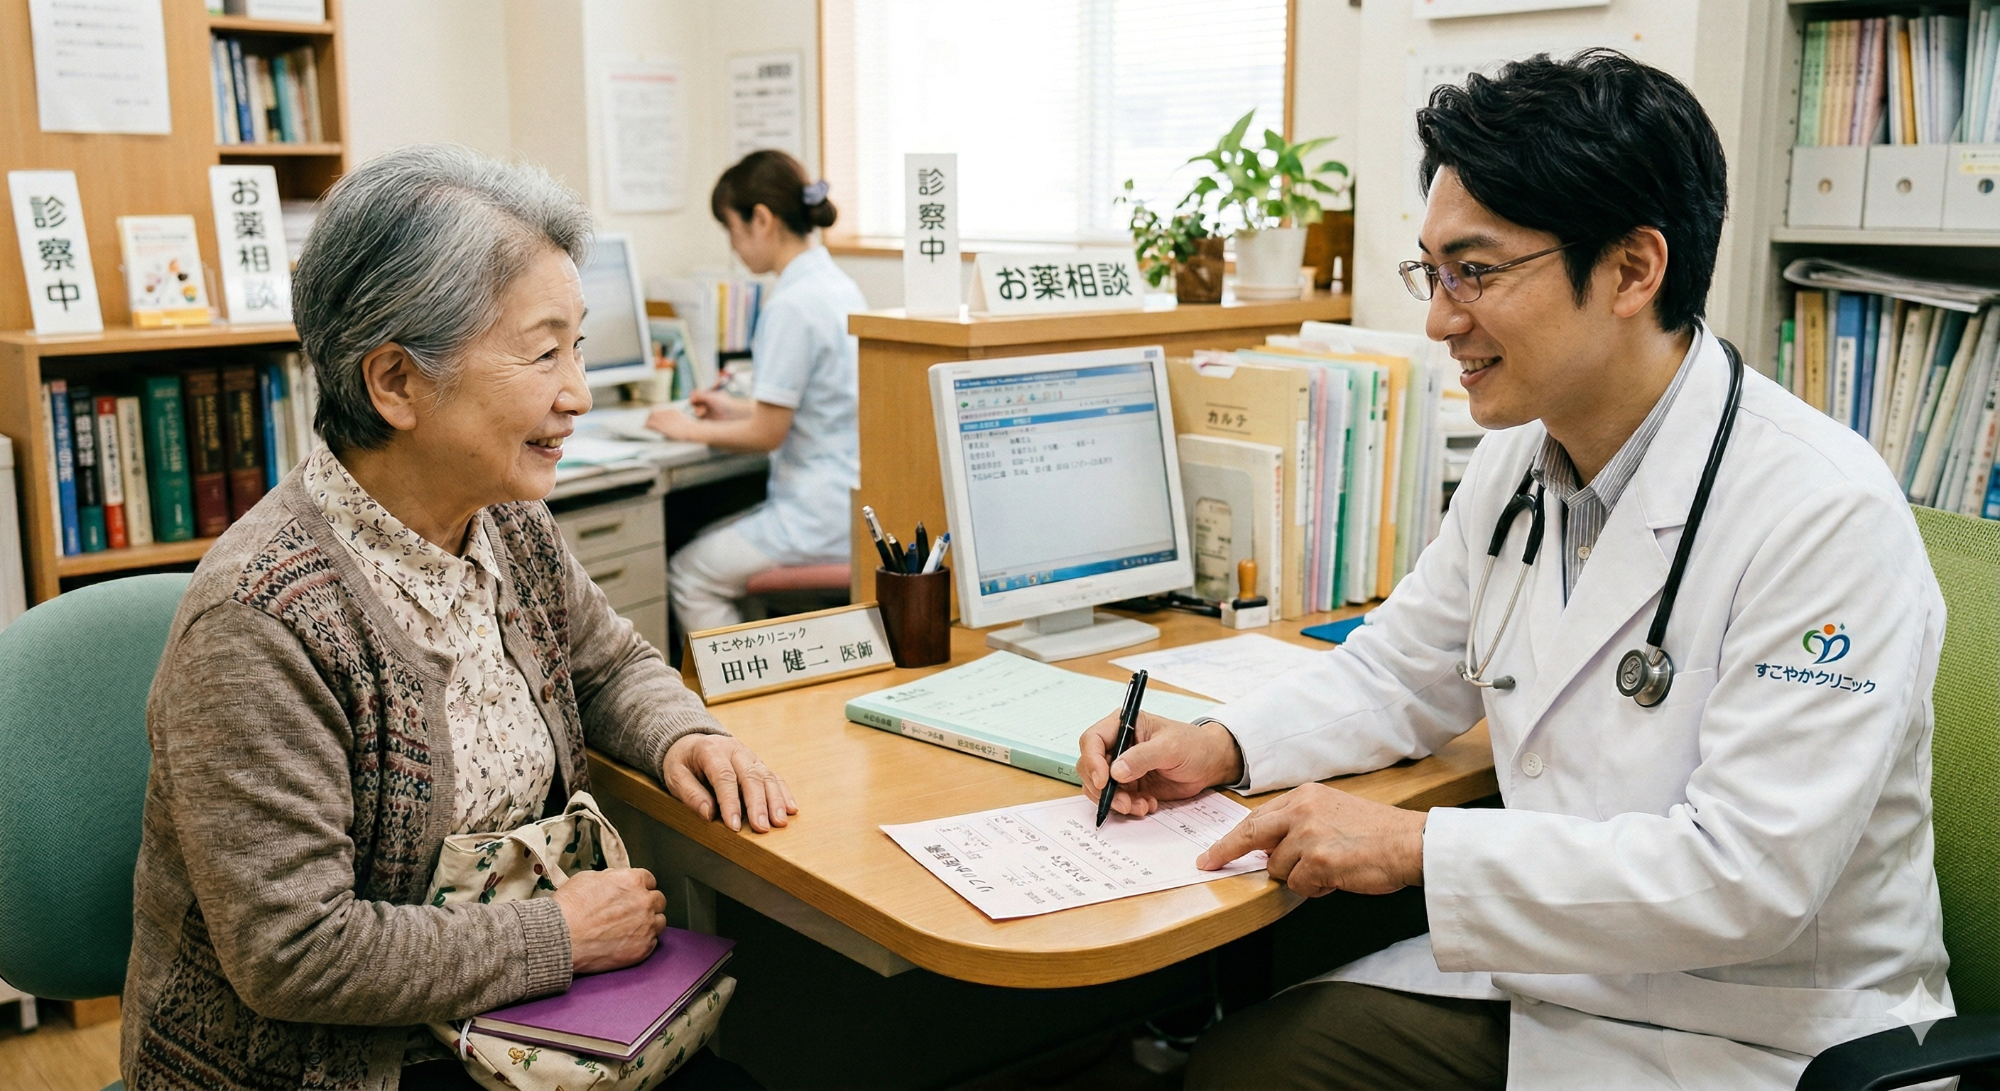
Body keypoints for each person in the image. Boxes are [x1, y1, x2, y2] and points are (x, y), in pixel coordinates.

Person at [1078, 51, 1949, 1090]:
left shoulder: (1821, 511)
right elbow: (1399, 669)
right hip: (1560, 983)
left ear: (1630, 270)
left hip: (1762, 1034)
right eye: (1432, 271)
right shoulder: (1515, 465)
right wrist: (1219, 742)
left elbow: (1747, 877)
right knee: (1244, 1069)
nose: (1439, 318)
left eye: (1475, 273)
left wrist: (1414, 850)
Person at [122, 146, 793, 1091]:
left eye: (579, 345)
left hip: (525, 1024)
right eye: (542, 350)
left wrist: (685, 732)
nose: (580, 393)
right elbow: (294, 949)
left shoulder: (507, 520)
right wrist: (557, 934)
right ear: (395, 382)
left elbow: (605, 664)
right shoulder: (259, 622)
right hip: (340, 1060)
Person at [650, 150, 869, 633]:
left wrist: (684, 428)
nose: (734, 246)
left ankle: (730, 700)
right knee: (709, 541)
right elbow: (817, 402)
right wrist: (733, 409)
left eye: (732, 229)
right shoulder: (838, 286)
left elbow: (769, 433)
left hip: (816, 515)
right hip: (846, 500)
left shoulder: (791, 304)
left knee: (688, 571)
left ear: (762, 220)